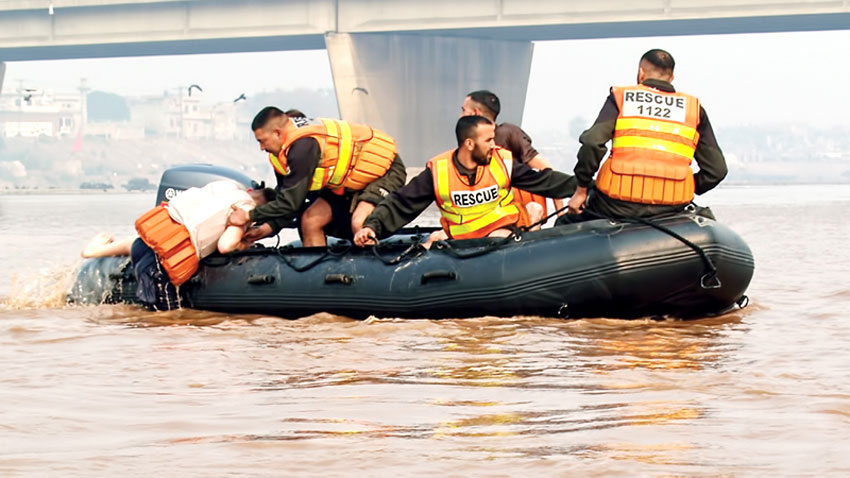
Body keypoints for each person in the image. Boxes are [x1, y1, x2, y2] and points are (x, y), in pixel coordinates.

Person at [353, 115, 577, 249]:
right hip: (459, 242)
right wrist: (372, 227)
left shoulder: (502, 162)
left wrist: (584, 188)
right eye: (488, 140)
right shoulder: (439, 172)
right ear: (469, 143)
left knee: (498, 239)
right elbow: (401, 203)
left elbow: (544, 181)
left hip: (500, 235)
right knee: (431, 242)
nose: (494, 144)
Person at [562, 49, 728, 222]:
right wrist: (682, 186)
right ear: (671, 77)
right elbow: (717, 170)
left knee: (564, 224)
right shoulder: (693, 109)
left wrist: (581, 190)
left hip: (616, 205)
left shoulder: (622, 98)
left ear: (641, 73)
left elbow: (592, 142)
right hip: (671, 208)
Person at [80, 180, 275, 310]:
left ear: (251, 190)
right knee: (166, 319)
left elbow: (145, 243)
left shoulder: (227, 185)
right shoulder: (245, 209)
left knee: (155, 243)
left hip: (145, 244)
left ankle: (93, 252)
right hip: (158, 267)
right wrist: (244, 243)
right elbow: (226, 245)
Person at [230, 107, 407, 247]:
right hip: (346, 183)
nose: (261, 148)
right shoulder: (281, 155)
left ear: (277, 133)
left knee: (358, 222)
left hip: (385, 172)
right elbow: (290, 202)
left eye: (262, 141)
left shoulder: (302, 148)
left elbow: (289, 203)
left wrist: (249, 215)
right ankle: (318, 281)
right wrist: (268, 228)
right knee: (310, 219)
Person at [461, 90, 566, 223]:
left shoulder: (508, 133)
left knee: (534, 208)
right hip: (485, 218)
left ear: (475, 113)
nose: (460, 115)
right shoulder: (468, 145)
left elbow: (548, 170)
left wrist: (561, 216)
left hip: (518, 216)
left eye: (464, 110)